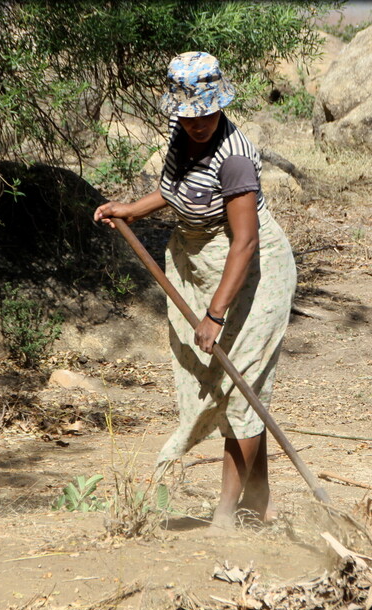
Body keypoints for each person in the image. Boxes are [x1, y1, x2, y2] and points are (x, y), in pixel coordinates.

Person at [94, 51, 297, 530]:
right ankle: (260, 502)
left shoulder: (235, 158)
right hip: (206, 264)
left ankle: (225, 516)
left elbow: (245, 242)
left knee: (242, 392)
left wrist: (216, 314)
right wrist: (129, 210)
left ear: (219, 105)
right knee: (240, 392)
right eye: (189, 113)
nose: (198, 121)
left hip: (254, 274)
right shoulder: (182, 137)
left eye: (206, 111)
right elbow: (171, 190)